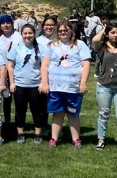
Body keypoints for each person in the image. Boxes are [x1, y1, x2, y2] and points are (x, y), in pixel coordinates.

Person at [40, 20, 91, 148]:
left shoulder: (80, 45)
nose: (63, 33)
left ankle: (76, 139)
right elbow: (45, 65)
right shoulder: (51, 45)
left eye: (65, 30)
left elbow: (86, 65)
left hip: (73, 87)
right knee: (57, 114)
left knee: (73, 114)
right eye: (60, 31)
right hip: (55, 86)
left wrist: (83, 83)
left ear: (71, 31)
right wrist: (44, 82)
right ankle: (54, 138)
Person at [92, 23, 117, 152]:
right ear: (108, 34)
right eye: (113, 32)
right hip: (104, 86)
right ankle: (101, 140)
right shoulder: (102, 48)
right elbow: (95, 40)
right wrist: (104, 30)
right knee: (103, 114)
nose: (115, 35)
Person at [7, 25, 48, 144]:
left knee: (37, 110)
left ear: (34, 33)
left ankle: (38, 134)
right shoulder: (16, 47)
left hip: (35, 85)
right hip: (19, 84)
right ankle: (20, 133)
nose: (27, 35)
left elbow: (44, 66)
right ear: (21, 34)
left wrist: (43, 83)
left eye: (30, 33)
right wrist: (12, 83)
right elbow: (10, 66)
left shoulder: (41, 48)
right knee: (20, 110)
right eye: (25, 33)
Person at [0, 15, 22, 126]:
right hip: (3, 73)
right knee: (6, 98)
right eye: (3, 23)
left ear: (12, 24)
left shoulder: (18, 36)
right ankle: (7, 121)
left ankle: (19, 122)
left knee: (18, 99)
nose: (5, 25)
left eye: (8, 23)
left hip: (17, 71)